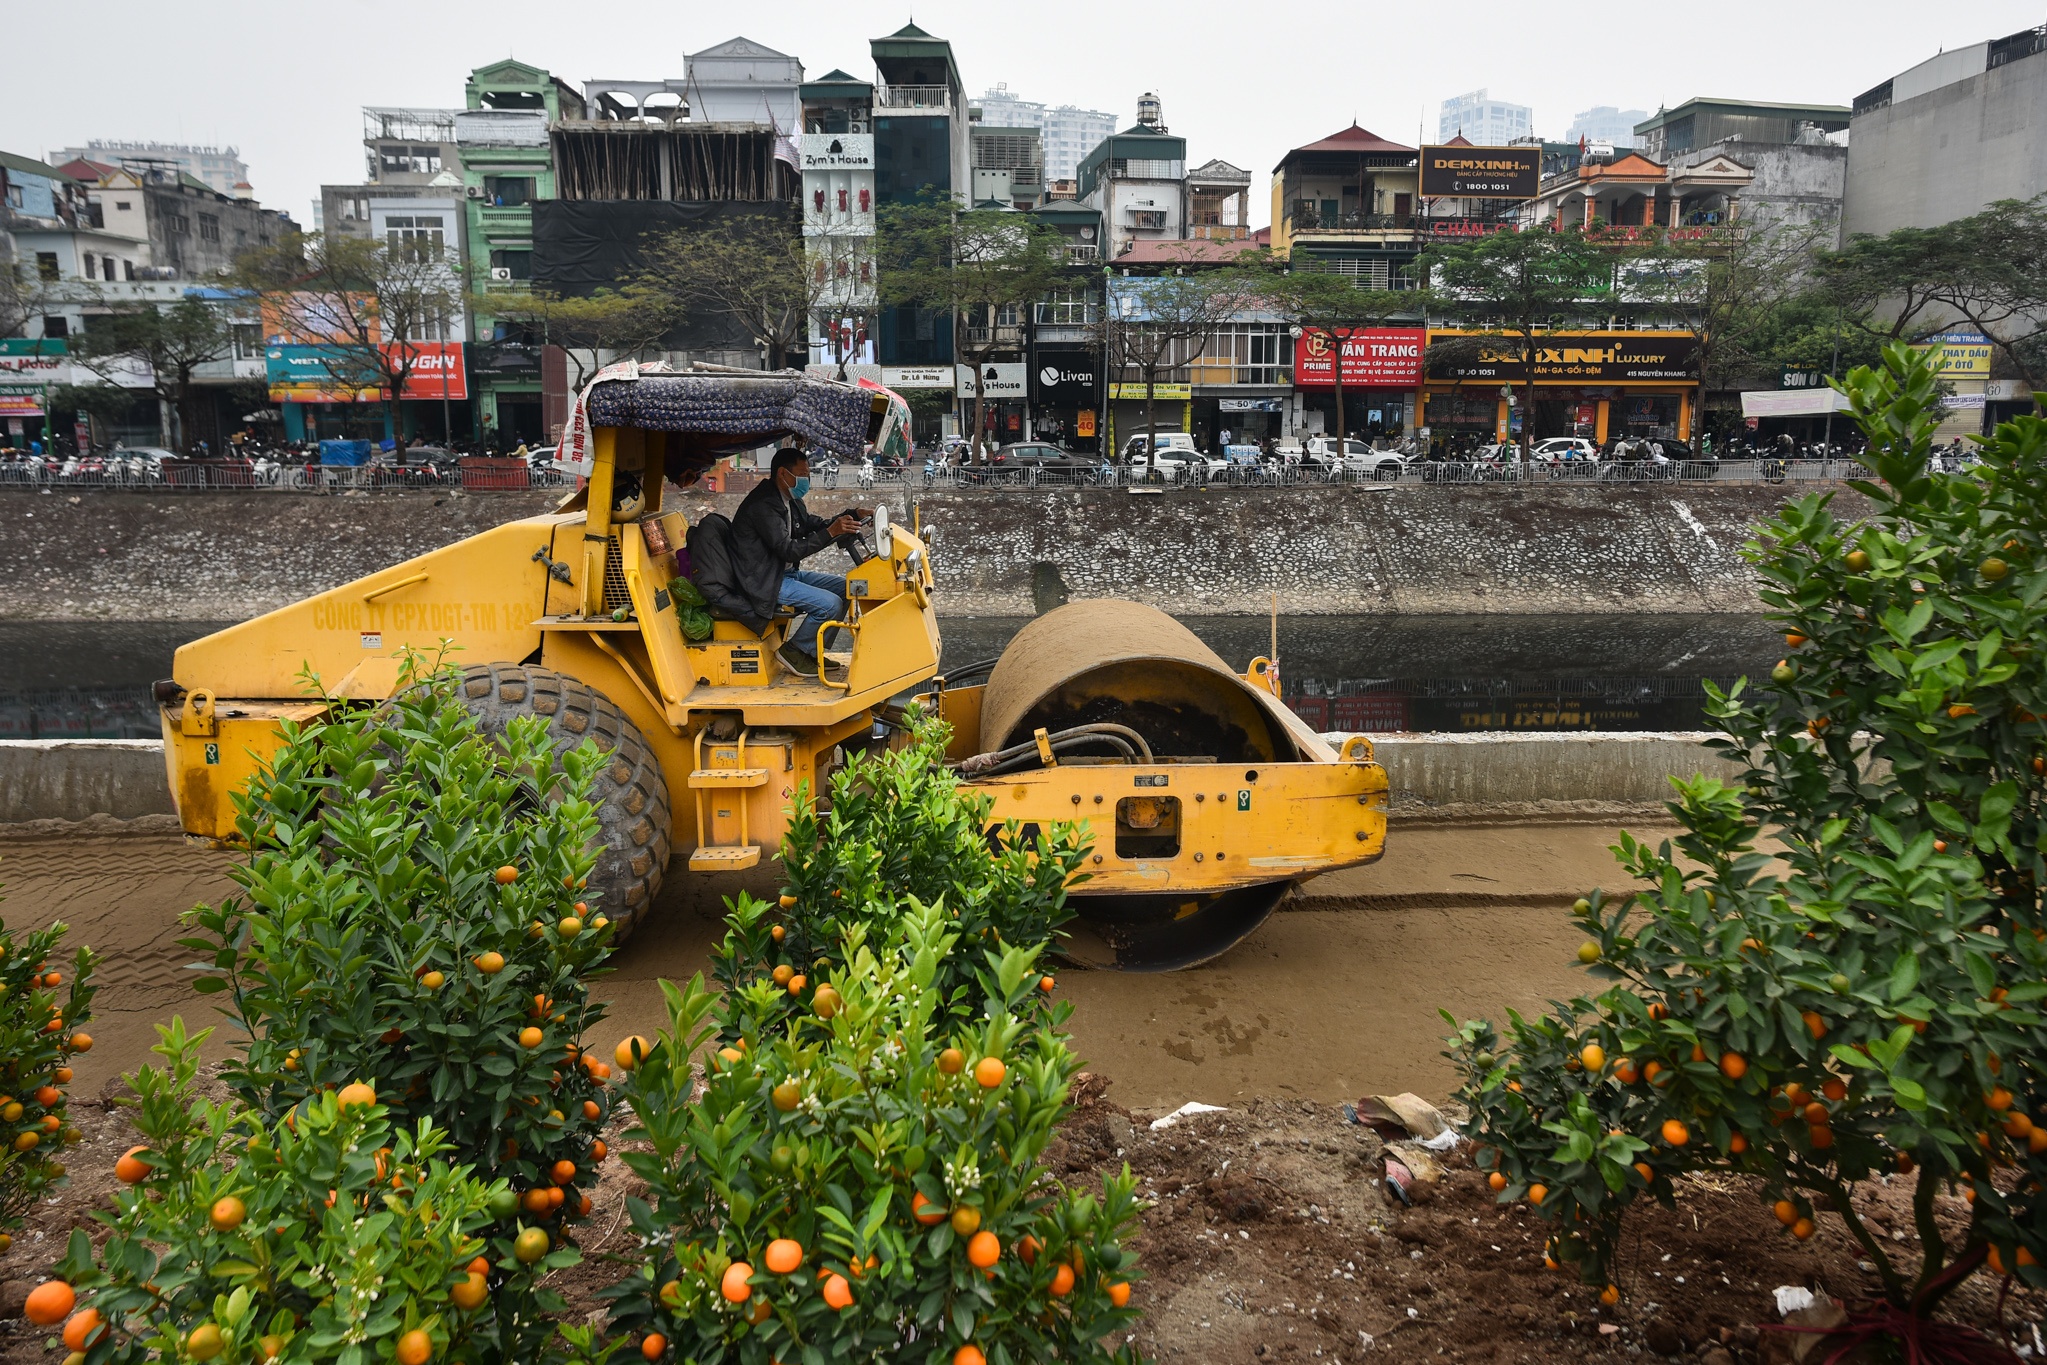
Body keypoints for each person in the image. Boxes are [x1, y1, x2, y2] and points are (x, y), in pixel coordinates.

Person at [732, 447, 866, 675]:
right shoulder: (763, 505)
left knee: (848, 588)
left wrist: (852, 515)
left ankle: (811, 652)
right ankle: (794, 651)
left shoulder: (790, 500)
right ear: (783, 473)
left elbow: (814, 524)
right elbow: (788, 551)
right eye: (802, 475)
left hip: (783, 573)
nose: (807, 480)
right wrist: (830, 533)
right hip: (764, 580)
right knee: (830, 605)